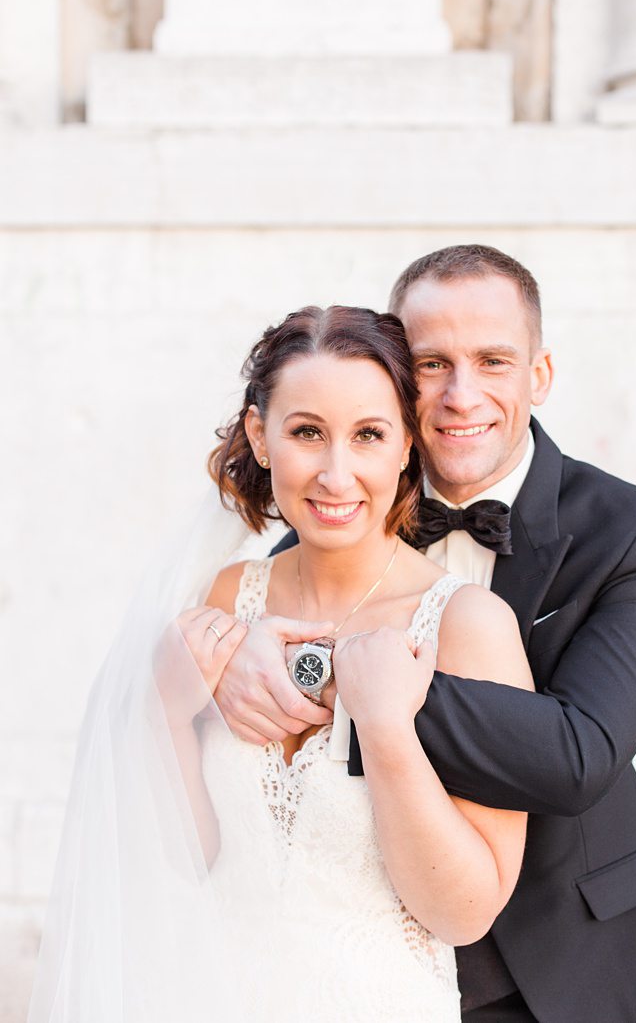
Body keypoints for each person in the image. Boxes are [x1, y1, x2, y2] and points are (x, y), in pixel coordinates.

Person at [212, 246, 636, 1022]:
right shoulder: (326, 521)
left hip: (595, 957)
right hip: (382, 967)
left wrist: (328, 677)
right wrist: (223, 656)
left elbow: (579, 755)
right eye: (432, 364)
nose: (463, 395)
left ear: (540, 375)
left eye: (493, 360)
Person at [30, 304, 533, 1022]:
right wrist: (171, 712)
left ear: (405, 447)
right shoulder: (229, 597)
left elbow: (465, 914)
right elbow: (190, 863)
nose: (335, 474)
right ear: (262, 437)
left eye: (367, 435)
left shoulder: (465, 625)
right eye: (306, 433)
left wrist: (387, 730)